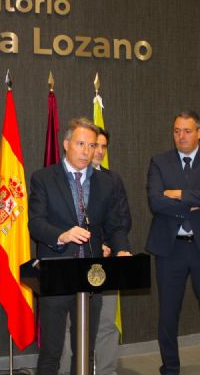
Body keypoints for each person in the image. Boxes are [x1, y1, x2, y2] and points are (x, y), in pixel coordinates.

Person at [29, 118, 132, 375]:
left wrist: (121, 249)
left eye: (92, 145)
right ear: (66, 144)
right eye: (81, 144)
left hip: (93, 273)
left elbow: (116, 225)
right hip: (56, 270)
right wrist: (62, 235)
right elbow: (36, 224)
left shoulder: (106, 182)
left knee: (85, 350)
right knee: (52, 351)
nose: (87, 151)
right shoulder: (43, 178)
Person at [146, 111, 200, 375]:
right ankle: (170, 368)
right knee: (168, 315)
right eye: (176, 131)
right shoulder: (159, 161)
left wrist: (179, 194)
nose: (181, 136)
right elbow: (156, 201)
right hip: (171, 249)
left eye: (187, 131)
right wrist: (199, 197)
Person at [58, 127, 133, 375]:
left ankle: (106, 371)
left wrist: (113, 246)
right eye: (92, 145)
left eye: (101, 147)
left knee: (105, 323)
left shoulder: (112, 180)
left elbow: (121, 221)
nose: (96, 151)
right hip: (72, 261)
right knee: (70, 324)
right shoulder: (63, 178)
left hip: (106, 263)